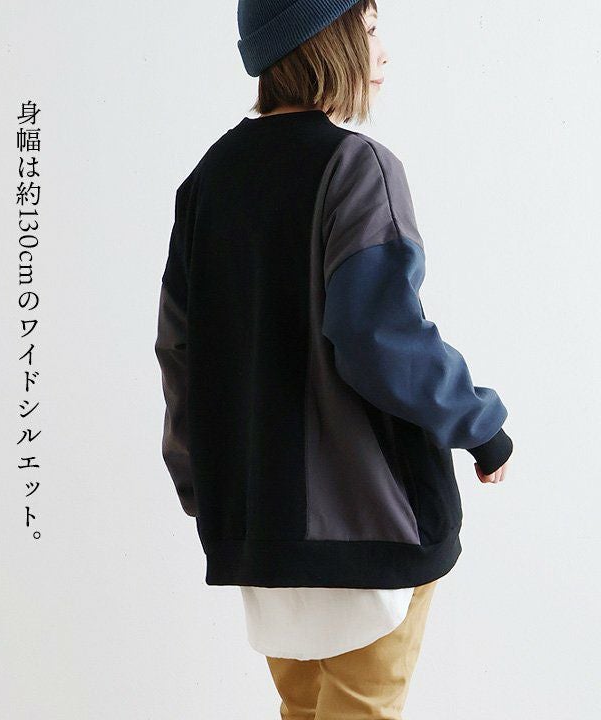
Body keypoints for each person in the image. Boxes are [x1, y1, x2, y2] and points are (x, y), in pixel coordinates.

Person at [155, 1, 513, 717]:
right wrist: (481, 425)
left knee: (303, 711)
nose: (383, 51)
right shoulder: (356, 167)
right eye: (370, 29)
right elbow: (380, 336)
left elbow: (180, 353)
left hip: (262, 529)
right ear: (326, 39)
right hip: (371, 528)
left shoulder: (207, 182)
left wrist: (211, 489)